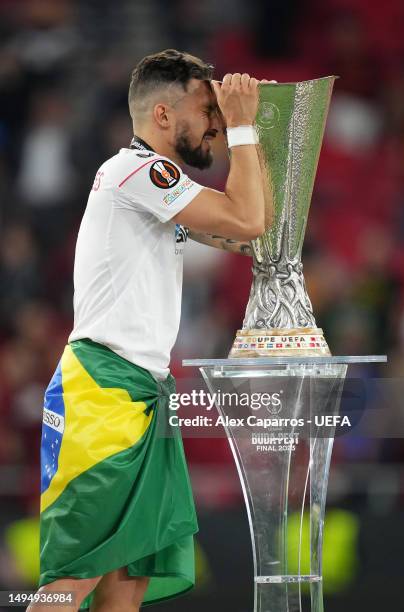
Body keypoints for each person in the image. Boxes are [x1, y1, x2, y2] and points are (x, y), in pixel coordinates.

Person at [30, 49, 266, 612]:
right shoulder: (137, 171)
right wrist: (243, 125)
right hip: (102, 393)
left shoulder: (161, 198)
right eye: (206, 108)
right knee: (73, 581)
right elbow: (246, 220)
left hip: (143, 395)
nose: (214, 119)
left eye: (218, 110)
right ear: (162, 116)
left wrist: (256, 138)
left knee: (127, 582)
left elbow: (251, 230)